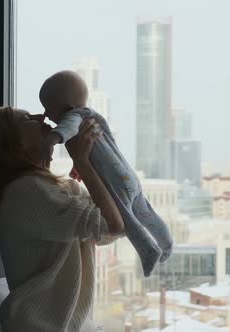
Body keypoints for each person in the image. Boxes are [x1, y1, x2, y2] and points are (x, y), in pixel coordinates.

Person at [0, 106, 124, 331]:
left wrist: (90, 166)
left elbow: (109, 233)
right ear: (17, 144)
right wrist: (83, 163)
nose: (41, 116)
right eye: (28, 119)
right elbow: (113, 226)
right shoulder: (26, 191)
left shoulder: (55, 189)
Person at [38, 70, 173, 277]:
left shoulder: (74, 117)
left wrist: (51, 141)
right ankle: (166, 242)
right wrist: (80, 163)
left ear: (69, 108)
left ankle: (149, 251)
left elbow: (67, 128)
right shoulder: (92, 117)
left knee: (129, 220)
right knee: (145, 210)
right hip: (128, 176)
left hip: (116, 183)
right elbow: (100, 152)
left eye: (48, 108)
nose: (46, 114)